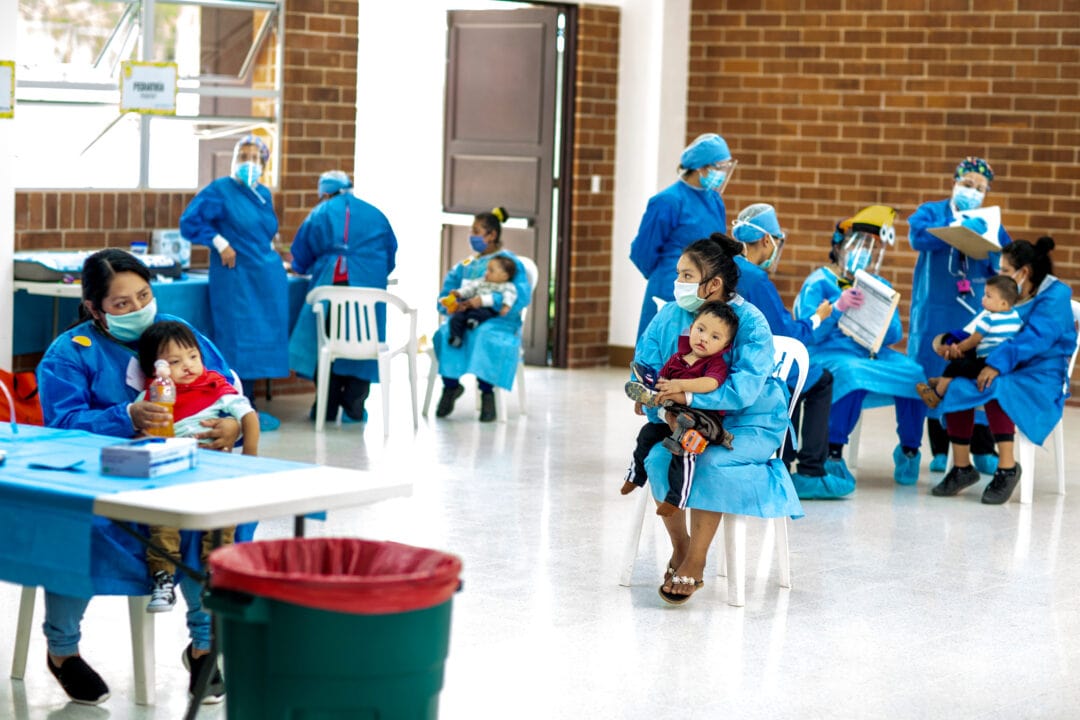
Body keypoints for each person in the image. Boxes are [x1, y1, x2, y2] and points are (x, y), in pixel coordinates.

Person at [36, 249, 241, 704]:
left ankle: (204, 645)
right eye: (121, 304)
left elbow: (226, 387)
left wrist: (230, 425)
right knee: (76, 530)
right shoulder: (69, 354)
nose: (138, 309)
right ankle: (62, 650)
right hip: (102, 479)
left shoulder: (178, 335)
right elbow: (62, 424)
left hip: (181, 475)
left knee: (213, 525)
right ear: (94, 308)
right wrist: (125, 415)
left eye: (143, 296)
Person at [633, 234, 803, 604]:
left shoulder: (751, 323)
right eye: (678, 274)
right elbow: (645, 364)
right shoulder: (670, 315)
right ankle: (681, 547)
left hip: (747, 420)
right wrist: (649, 396)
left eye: (686, 275)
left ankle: (696, 560)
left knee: (709, 460)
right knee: (661, 456)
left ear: (714, 284)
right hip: (685, 417)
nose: (678, 283)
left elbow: (745, 390)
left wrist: (688, 393)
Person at [932, 237, 1076, 504]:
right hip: (1006, 363)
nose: (999, 276)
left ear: (1025, 272)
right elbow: (979, 326)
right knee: (957, 384)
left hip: (1041, 373)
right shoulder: (1008, 293)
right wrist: (951, 343)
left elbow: (1035, 338)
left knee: (995, 386)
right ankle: (962, 468)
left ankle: (1008, 468)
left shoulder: (1056, 295)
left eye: (1005, 271)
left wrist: (996, 365)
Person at [792, 205, 928, 488]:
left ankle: (910, 449)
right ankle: (833, 453)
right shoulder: (819, 282)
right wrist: (838, 307)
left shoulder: (875, 282)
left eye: (870, 248)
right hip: (828, 352)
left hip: (870, 352)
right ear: (839, 247)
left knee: (914, 372)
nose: (863, 253)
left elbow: (893, 335)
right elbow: (810, 333)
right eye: (858, 246)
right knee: (852, 373)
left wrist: (881, 309)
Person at [135, 320, 259, 613]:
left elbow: (249, 417)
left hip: (215, 471)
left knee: (223, 518)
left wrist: (251, 459)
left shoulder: (216, 387)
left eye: (193, 356)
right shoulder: (153, 395)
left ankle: (217, 572)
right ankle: (163, 578)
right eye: (175, 362)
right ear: (157, 370)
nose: (188, 366)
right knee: (162, 522)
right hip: (172, 471)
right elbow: (141, 432)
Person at [729, 203, 850, 499]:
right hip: (760, 365)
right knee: (818, 379)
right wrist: (821, 315)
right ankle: (811, 470)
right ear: (767, 240)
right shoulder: (756, 278)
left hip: (735, 359)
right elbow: (786, 332)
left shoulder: (731, 267)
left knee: (798, 379)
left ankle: (786, 462)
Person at [908, 157, 1013, 474]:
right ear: (955, 182)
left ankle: (982, 446)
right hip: (934, 312)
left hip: (975, 315)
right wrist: (954, 230)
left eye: (980, 188)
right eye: (967, 184)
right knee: (934, 371)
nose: (973, 191)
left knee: (971, 374)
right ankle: (939, 449)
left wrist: (988, 242)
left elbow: (1004, 261)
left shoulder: (989, 220)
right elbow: (917, 236)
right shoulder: (932, 212)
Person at [180, 134, 289, 429]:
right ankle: (236, 408)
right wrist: (218, 241)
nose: (248, 163)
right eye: (244, 156)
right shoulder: (220, 190)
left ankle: (250, 408)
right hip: (236, 277)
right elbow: (190, 222)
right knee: (236, 339)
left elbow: (263, 232)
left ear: (265, 163)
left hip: (265, 278)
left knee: (260, 340)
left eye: (255, 157)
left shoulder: (262, 194)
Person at [287, 170, 398, 423]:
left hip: (331, 290)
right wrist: (370, 272)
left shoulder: (321, 213)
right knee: (365, 346)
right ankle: (355, 405)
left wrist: (304, 267)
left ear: (324, 192)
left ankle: (325, 406)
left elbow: (301, 254)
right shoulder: (376, 214)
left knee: (327, 346)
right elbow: (390, 255)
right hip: (370, 292)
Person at [622, 301, 738, 517]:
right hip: (673, 417)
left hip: (702, 422)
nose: (704, 338)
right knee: (647, 434)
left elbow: (711, 384)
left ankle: (676, 498)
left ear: (725, 346)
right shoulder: (677, 358)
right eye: (701, 330)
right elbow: (661, 381)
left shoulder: (715, 364)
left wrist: (681, 385)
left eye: (715, 337)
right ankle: (635, 476)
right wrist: (646, 398)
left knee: (685, 446)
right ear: (691, 328)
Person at [432, 207, 533, 422]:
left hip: (499, 321)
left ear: (492, 235)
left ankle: (487, 392)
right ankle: (450, 387)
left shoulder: (508, 262)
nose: (472, 236)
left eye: (476, 231)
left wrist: (489, 302)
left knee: (484, 334)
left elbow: (520, 296)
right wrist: (451, 304)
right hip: (465, 315)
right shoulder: (467, 265)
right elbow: (446, 293)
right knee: (446, 331)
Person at [629, 133, 734, 338]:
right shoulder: (667, 201)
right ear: (701, 168)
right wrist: (671, 275)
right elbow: (642, 252)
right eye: (719, 167)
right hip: (670, 287)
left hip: (705, 290)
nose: (722, 173)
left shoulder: (714, 200)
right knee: (660, 348)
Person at [916, 275, 1022, 407]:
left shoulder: (988, 319)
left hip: (985, 363)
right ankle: (944, 380)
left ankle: (935, 396)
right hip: (1004, 364)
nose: (983, 298)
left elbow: (972, 341)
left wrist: (955, 348)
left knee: (955, 365)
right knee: (966, 362)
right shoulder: (1016, 318)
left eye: (988, 296)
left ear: (1003, 303)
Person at [441, 254, 518, 347]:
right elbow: (469, 289)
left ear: (504, 276)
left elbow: (510, 296)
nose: (486, 272)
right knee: (456, 317)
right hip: (471, 306)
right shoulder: (481, 281)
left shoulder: (507, 286)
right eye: (487, 269)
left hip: (487, 308)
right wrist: (459, 293)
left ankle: (473, 322)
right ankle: (456, 337)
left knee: (480, 313)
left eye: (491, 271)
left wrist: (506, 306)